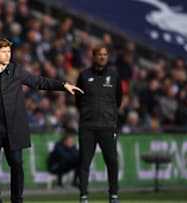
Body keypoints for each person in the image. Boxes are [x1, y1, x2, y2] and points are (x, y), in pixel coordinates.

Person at [0, 38, 83, 203]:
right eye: (4, 52)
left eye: (9, 51)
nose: (8, 55)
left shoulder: (16, 71)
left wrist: (63, 85)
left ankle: (17, 200)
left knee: (16, 164)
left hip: (14, 128)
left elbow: (39, 82)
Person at [75, 44, 122, 203]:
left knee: (112, 161)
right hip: (87, 127)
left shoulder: (114, 76)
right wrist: (88, 114)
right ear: (93, 56)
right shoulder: (83, 75)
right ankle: (83, 196)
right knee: (84, 161)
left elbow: (118, 100)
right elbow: (78, 100)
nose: (102, 57)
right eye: (99, 54)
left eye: (105, 54)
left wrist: (109, 115)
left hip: (107, 126)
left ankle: (114, 195)